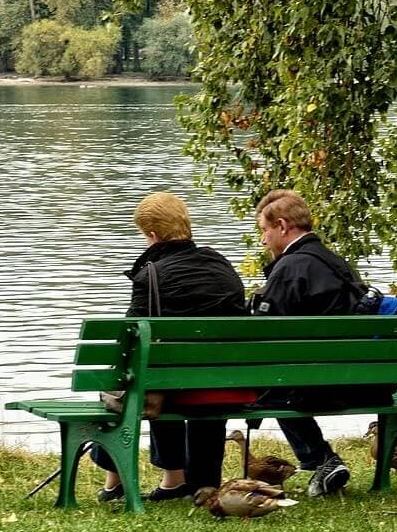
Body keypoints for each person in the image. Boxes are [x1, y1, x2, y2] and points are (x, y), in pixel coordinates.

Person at [112, 191, 250, 503]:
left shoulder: (152, 275)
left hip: (176, 386)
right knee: (190, 373)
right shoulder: (222, 265)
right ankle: (203, 483)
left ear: (152, 235)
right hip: (229, 381)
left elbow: (128, 340)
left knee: (151, 375)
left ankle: (168, 480)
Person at [251, 189, 367, 497]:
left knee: (269, 386)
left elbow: (262, 336)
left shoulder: (290, 269)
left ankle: (320, 458)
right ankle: (321, 460)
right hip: (359, 378)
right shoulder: (336, 263)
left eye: (265, 230)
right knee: (280, 381)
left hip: (319, 385)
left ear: (283, 226)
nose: (263, 240)